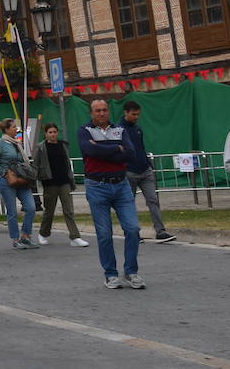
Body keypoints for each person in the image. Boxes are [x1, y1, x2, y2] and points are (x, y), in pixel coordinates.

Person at [79, 99, 143, 289]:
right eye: (97, 110)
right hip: (97, 186)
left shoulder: (120, 131)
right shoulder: (84, 131)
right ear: (91, 113)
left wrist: (101, 150)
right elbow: (88, 149)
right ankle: (110, 273)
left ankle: (131, 272)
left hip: (121, 185)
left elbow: (130, 153)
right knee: (104, 233)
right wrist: (116, 148)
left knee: (133, 229)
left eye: (104, 110)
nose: (101, 113)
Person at [121, 101, 176, 243]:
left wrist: (148, 164)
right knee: (128, 203)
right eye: (133, 114)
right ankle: (133, 232)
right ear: (126, 113)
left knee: (153, 200)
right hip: (129, 171)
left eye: (138, 114)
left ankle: (160, 231)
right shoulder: (119, 130)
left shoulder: (138, 129)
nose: (136, 117)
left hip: (145, 170)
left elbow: (141, 147)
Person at [33, 122, 88, 248]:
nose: (53, 134)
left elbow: (67, 163)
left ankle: (75, 236)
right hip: (49, 182)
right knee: (49, 211)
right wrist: (35, 178)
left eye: (54, 132)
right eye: (50, 132)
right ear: (45, 134)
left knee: (68, 210)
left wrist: (71, 179)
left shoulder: (62, 145)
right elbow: (36, 165)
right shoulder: (41, 147)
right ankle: (43, 233)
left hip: (64, 182)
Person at [0, 117, 38, 250]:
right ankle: (15, 239)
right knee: (12, 211)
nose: (16, 129)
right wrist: (4, 173)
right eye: (13, 127)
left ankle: (26, 236)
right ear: (6, 129)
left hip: (21, 179)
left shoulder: (17, 143)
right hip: (7, 181)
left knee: (31, 207)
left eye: (16, 127)